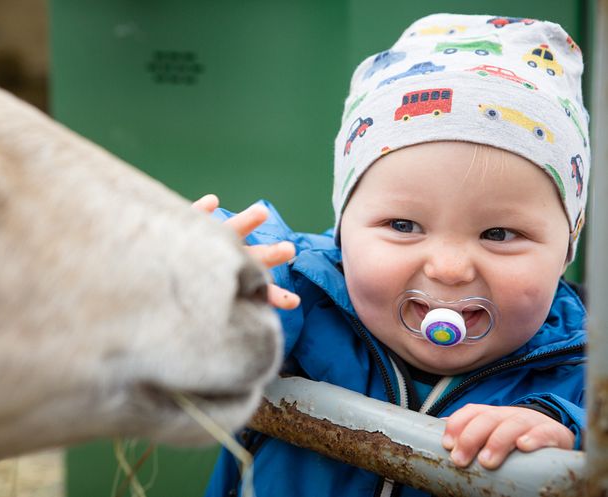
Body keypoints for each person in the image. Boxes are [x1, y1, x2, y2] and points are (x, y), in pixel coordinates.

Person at [198, 12, 589, 497]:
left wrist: (571, 442)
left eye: (500, 233)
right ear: (344, 227)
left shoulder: (585, 374)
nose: (448, 268)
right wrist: (213, 275)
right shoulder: (301, 295)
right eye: (403, 226)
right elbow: (244, 282)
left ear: (567, 244)